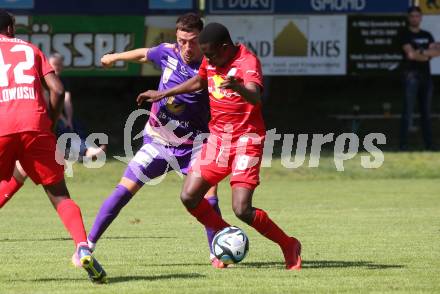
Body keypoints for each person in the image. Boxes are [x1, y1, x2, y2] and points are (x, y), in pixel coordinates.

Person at [136, 22, 302, 270]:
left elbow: (255, 96)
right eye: (206, 55)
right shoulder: (211, 59)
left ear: (225, 47)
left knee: (241, 208)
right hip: (218, 139)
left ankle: (289, 245)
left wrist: (238, 87)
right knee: (189, 196)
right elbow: (199, 82)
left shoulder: (247, 61)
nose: (208, 59)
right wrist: (162, 93)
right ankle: (227, 236)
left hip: (247, 139)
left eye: (211, 54)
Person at [88, 13, 226, 268]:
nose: (186, 47)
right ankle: (87, 246)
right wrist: (114, 57)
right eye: (181, 40)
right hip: (158, 141)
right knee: (124, 188)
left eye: (192, 41)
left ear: (202, 39)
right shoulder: (168, 53)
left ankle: (218, 253)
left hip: (196, 144)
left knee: (208, 195)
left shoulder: (213, 65)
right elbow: (143, 54)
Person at [0, 10, 107, 282]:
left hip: (2, 125)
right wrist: (49, 121)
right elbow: (57, 90)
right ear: (11, 28)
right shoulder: (31, 50)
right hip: (35, 124)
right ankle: (83, 246)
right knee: (59, 194)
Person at [0, 53, 106, 209]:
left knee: (22, 168)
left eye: (59, 65)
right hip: (41, 123)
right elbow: (54, 97)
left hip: (31, 125)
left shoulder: (58, 80)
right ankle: (84, 151)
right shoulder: (42, 79)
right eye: (54, 65)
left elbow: (66, 100)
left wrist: (68, 119)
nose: (57, 68)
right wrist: (56, 121)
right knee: (26, 170)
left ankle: (84, 151)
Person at [400, 6, 438, 150]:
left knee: (426, 113)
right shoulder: (404, 34)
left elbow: (437, 52)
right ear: (408, 18)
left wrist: (421, 52)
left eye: (417, 16)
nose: (415, 18)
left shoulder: (427, 34)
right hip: (411, 77)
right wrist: (427, 54)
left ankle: (429, 145)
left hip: (426, 78)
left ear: (421, 18)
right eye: (412, 16)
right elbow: (411, 55)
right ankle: (403, 145)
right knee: (407, 112)